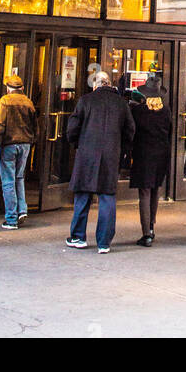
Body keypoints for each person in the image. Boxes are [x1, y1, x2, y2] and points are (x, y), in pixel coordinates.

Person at [66, 68, 135, 252]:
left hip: (87, 154)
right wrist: (123, 150)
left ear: (95, 85)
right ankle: (104, 242)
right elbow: (130, 130)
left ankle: (78, 237)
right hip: (111, 155)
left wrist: (77, 144)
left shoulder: (85, 101)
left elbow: (72, 128)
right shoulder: (121, 103)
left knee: (82, 195)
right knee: (107, 197)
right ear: (109, 84)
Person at [129, 72, 172, 246]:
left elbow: (131, 132)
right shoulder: (166, 111)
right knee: (155, 190)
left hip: (143, 155)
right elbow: (169, 131)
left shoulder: (138, 111)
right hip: (161, 155)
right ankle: (152, 228)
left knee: (144, 193)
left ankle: (146, 233)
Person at [0, 73, 37, 232]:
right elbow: (35, 125)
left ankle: (11, 218)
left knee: (8, 180)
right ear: (22, 88)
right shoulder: (28, 102)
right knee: (19, 177)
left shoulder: (4, 101)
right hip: (25, 144)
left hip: (9, 143)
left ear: (8, 88)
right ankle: (22, 210)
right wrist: (32, 141)